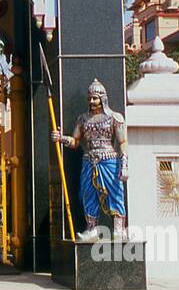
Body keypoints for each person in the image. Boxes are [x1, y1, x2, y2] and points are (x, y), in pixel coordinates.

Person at [52, 79, 128, 241]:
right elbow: (75, 142)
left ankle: (119, 229)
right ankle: (91, 229)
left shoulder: (115, 118)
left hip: (109, 161)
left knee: (115, 193)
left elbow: (122, 143)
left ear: (103, 98)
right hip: (88, 160)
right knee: (87, 194)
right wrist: (61, 138)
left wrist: (125, 165)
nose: (92, 101)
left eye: (95, 98)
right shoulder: (83, 119)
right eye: (89, 98)